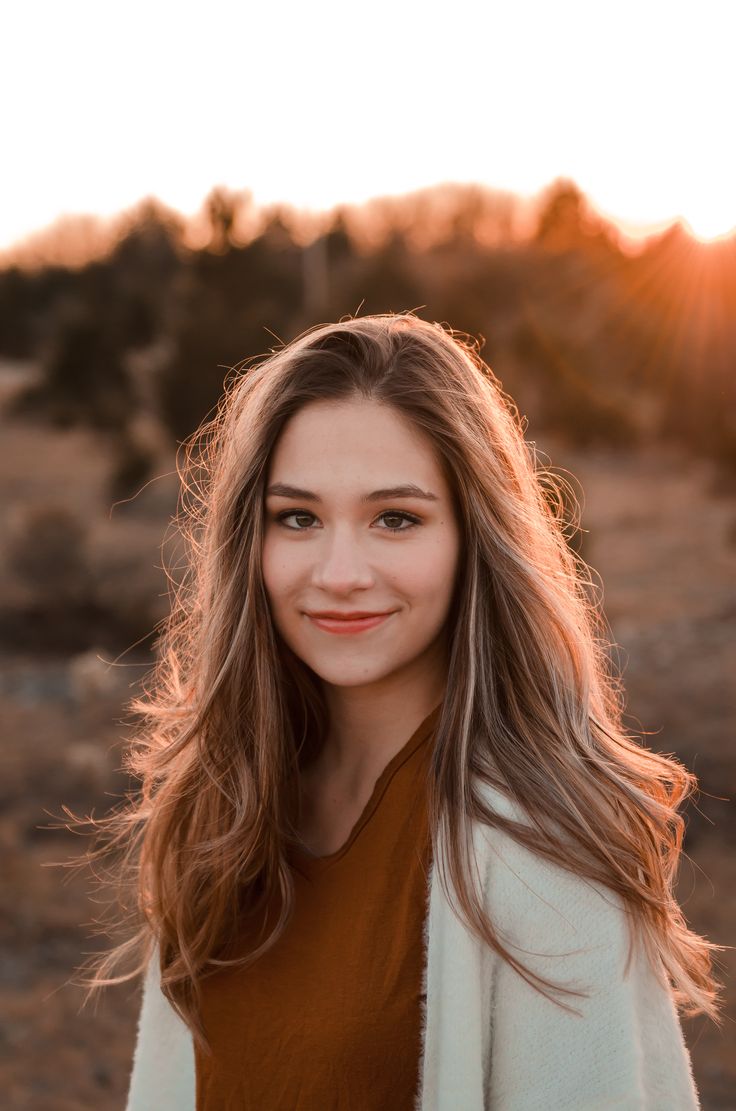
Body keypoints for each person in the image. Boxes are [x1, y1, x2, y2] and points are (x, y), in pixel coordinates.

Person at [85, 312, 721, 1109]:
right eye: (299, 517)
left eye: (396, 518)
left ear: (471, 539)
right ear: (252, 541)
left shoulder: (541, 857)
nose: (340, 571)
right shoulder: (223, 800)